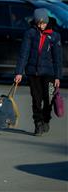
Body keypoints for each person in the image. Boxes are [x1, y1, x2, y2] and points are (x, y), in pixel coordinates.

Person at [14, 8, 62, 136]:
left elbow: (58, 58)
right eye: (38, 23)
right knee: (36, 99)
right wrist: (19, 72)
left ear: (47, 21)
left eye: (43, 23)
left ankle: (46, 119)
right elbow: (23, 54)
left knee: (49, 98)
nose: (41, 26)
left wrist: (57, 76)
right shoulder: (30, 33)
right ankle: (38, 123)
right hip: (33, 73)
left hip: (50, 74)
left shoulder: (55, 36)